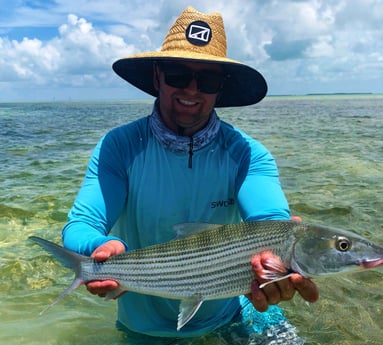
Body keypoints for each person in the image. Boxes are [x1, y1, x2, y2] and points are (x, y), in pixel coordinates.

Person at [62, 6, 318, 341]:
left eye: (208, 79)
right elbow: (81, 224)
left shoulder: (247, 154)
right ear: (157, 77)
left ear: (220, 88)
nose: (192, 90)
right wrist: (101, 246)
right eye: (178, 75)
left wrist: (280, 254)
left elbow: (269, 218)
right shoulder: (120, 146)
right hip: (145, 329)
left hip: (234, 310)